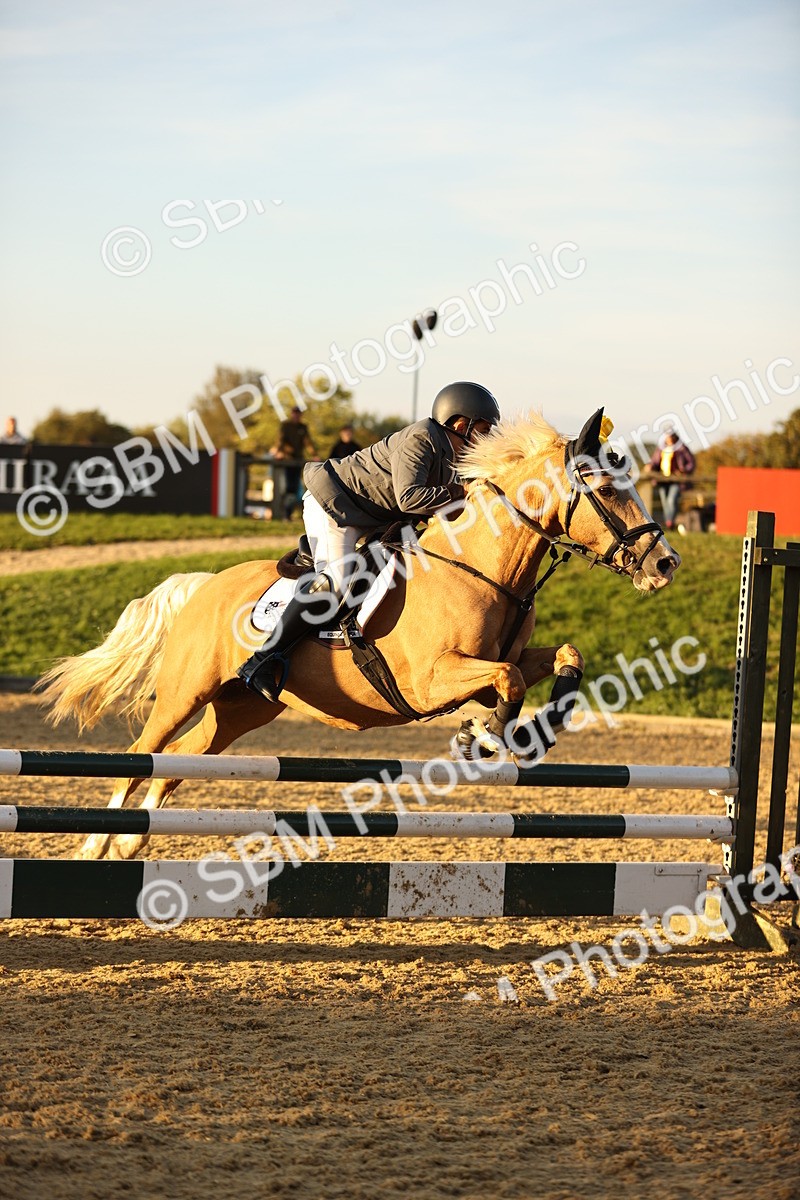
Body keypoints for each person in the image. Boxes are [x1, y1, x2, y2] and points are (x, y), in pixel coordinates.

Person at [238, 381, 501, 701]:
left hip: (371, 517)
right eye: (483, 430)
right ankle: (261, 660)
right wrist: (461, 493)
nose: (485, 439)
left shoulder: (452, 455)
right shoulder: (422, 438)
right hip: (334, 507)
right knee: (337, 580)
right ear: (460, 424)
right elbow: (410, 498)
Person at [271, 406, 317, 519]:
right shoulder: (286, 426)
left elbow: (307, 442)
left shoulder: (303, 427)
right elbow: (281, 440)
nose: (296, 415)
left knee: (295, 487)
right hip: (287, 460)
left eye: (298, 413)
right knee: (287, 486)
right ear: (292, 414)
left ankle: (289, 513)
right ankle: (284, 513)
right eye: (294, 413)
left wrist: (314, 455)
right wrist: (279, 451)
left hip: (297, 460)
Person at [648, 428, 695, 530]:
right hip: (662, 480)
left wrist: (683, 470)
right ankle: (668, 523)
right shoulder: (661, 448)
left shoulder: (682, 448)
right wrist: (650, 466)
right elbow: (655, 461)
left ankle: (670, 522)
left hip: (676, 480)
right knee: (665, 503)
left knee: (671, 500)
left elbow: (691, 463)